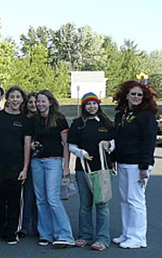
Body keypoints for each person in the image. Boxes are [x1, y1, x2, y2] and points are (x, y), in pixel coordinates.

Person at [111, 80, 157, 249]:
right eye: (133, 94)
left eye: (140, 94)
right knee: (125, 200)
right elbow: (118, 139)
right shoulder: (122, 115)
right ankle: (127, 233)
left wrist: (144, 166)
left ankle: (138, 237)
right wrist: (113, 159)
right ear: (126, 95)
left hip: (138, 165)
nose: (136, 97)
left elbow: (149, 142)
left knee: (136, 200)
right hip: (123, 163)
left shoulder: (147, 117)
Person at [0, 85, 31, 245]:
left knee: (14, 200)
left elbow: (26, 146)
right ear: (7, 99)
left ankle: (11, 232)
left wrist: (25, 168)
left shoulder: (25, 121)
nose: (15, 100)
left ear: (22, 100)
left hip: (16, 165)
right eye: (12, 97)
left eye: (18, 97)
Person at [68, 92, 114, 251]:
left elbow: (114, 142)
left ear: (98, 105)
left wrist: (109, 145)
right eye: (88, 104)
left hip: (101, 168)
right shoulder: (77, 123)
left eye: (94, 103)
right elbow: (71, 146)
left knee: (101, 204)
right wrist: (81, 153)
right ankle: (85, 235)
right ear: (84, 106)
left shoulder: (106, 122)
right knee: (85, 204)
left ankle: (102, 238)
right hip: (83, 169)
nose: (92, 106)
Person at [30, 90, 74, 248]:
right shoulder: (34, 120)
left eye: (43, 101)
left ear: (50, 102)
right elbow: (33, 139)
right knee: (40, 199)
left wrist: (66, 166)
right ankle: (45, 234)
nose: (40, 104)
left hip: (53, 161)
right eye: (38, 101)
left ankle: (65, 235)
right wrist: (32, 144)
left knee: (53, 198)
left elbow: (66, 144)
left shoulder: (59, 119)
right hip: (37, 161)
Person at [18, 91, 38, 238]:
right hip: (24, 159)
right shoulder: (23, 120)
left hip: (40, 160)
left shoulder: (44, 119)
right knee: (27, 194)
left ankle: (38, 226)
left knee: (40, 195)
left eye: (35, 102)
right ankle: (24, 226)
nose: (33, 105)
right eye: (30, 102)